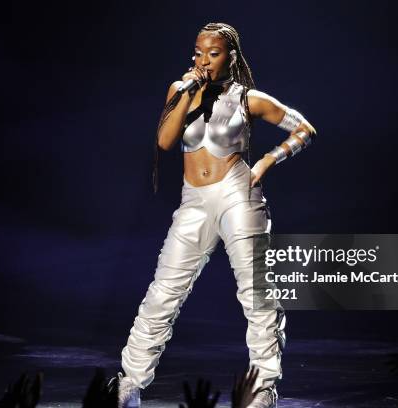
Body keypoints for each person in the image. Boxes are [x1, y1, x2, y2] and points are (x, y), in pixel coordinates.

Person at [113, 22, 317, 408]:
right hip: (194, 199)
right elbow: (165, 141)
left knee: (255, 292)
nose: (203, 60)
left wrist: (267, 162)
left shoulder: (249, 98)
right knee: (164, 292)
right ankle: (130, 383)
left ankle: (262, 388)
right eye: (198, 52)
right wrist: (188, 90)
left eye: (213, 53)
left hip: (238, 194)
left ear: (231, 57)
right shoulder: (180, 91)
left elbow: (304, 129)